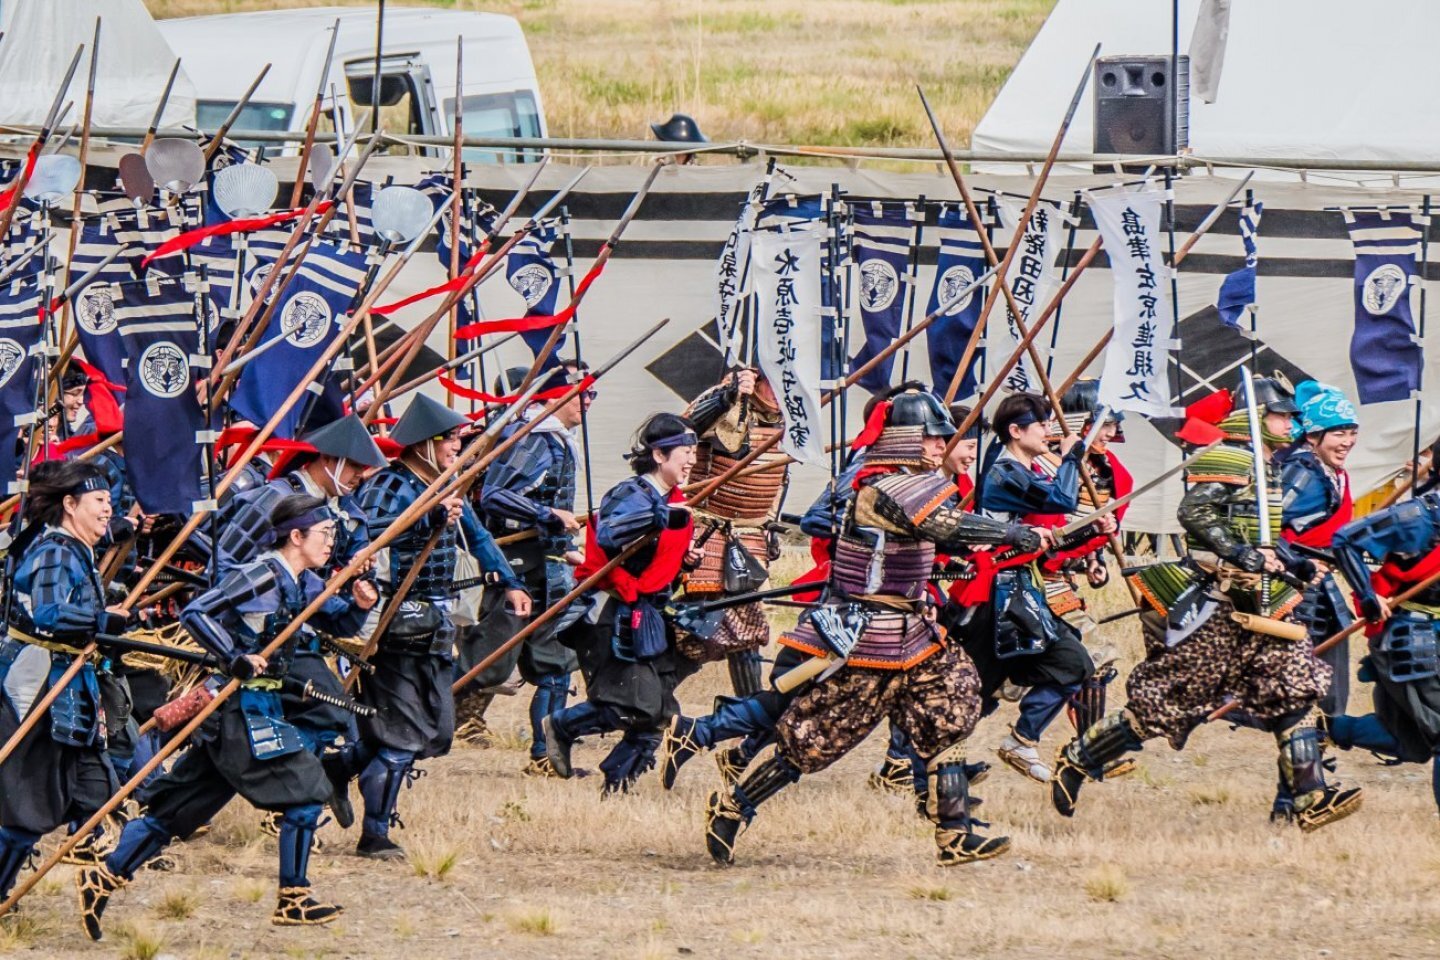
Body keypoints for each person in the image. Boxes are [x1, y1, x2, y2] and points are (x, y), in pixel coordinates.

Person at [703, 389, 1041, 867]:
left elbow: (938, 540)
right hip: (872, 635)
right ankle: (734, 806)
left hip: (916, 632)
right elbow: (945, 525)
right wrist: (1006, 531)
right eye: (931, 436)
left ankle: (954, 832)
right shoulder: (880, 490)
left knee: (956, 702)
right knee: (817, 738)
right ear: (904, 438)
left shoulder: (913, 484)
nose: (938, 445)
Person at [1051, 376, 1362, 832]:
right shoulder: (1229, 456)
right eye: (1281, 415)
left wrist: (1288, 563)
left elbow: (1271, 537)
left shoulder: (1270, 463)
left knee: (1297, 688)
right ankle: (1078, 759)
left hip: (1264, 600)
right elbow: (1194, 513)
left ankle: (1310, 797)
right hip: (1220, 603)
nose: (1289, 423)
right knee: (1165, 703)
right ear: (1256, 418)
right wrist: (1240, 552)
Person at [75, 494, 378, 937]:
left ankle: (105, 875)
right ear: (296, 536)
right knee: (308, 793)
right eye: (325, 534)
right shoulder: (261, 574)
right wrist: (234, 655)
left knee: (177, 810)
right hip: (238, 712)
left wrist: (361, 604)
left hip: (257, 708)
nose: (331, 543)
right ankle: (293, 898)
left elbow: (341, 625)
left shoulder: (303, 581)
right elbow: (199, 611)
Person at [340, 394, 528, 859]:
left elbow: (479, 537)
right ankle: (375, 833)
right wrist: (429, 516)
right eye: (452, 441)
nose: (456, 448)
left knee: (437, 730)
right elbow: (372, 531)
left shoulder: (445, 485)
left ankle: (337, 770)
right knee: (402, 735)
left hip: (436, 623)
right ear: (426, 445)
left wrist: (509, 581)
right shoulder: (390, 484)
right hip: (395, 622)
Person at [213, 413, 389, 829]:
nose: (363, 476)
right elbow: (225, 560)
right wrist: (267, 595)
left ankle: (296, 800)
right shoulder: (272, 498)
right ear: (329, 460)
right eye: (357, 466)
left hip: (298, 630)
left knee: (327, 716)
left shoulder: (337, 510)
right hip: (254, 635)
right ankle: (298, 797)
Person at [543, 412, 701, 795]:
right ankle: (562, 726)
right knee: (632, 706)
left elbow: (653, 556)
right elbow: (614, 535)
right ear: (659, 456)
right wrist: (665, 517)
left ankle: (617, 787)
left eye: (693, 451)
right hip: (613, 613)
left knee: (662, 713)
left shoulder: (673, 500)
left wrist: (683, 560)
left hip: (650, 613)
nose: (692, 460)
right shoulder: (629, 494)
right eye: (684, 451)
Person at [0, 461, 129, 901]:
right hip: (37, 687)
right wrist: (101, 620)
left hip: (73, 688)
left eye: (110, 502)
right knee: (26, 813)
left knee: (99, 794)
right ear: (70, 505)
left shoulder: (77, 549)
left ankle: (103, 873)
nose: (108, 510)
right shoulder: (55, 551)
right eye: (100, 501)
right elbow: (47, 615)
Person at [457, 363, 593, 774]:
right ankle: (431, 721)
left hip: (547, 565)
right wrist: (548, 513)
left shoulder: (556, 440)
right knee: (486, 661)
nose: (587, 402)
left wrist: (562, 544)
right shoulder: (534, 439)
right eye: (580, 393)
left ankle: (546, 757)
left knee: (555, 665)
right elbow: (498, 495)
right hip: (518, 565)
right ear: (553, 397)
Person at [971, 392, 1105, 783]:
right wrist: (1072, 457)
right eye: (1042, 424)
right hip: (995, 592)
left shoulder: (1024, 469)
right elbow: (1060, 499)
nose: (1048, 430)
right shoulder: (1003, 471)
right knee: (977, 690)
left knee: (1074, 663)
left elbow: (1044, 536)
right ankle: (913, 764)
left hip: (1022, 588)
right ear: (1015, 431)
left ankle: (1023, 738)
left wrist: (1090, 532)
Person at [1322, 482, 1440, 821]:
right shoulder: (1418, 517)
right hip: (1412, 636)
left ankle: (1322, 730)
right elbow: (1346, 540)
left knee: (1408, 742)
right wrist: (1369, 597)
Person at [1270, 380, 1359, 820]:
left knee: (1327, 691)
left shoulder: (1334, 474)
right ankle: (1296, 798)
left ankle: (1300, 793)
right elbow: (1270, 529)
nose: (1347, 440)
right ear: (1314, 434)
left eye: (1351, 430)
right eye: (1339, 431)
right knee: (1302, 695)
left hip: (1322, 591)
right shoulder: (1301, 471)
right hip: (1294, 592)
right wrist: (1300, 564)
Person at [677, 367, 788, 697]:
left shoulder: (786, 418)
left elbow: (777, 480)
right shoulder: (726, 404)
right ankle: (648, 698)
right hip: (707, 529)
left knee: (745, 628)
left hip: (750, 533)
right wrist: (729, 395)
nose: (780, 393)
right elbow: (686, 428)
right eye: (773, 384)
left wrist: (771, 526)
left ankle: (747, 713)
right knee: (703, 625)